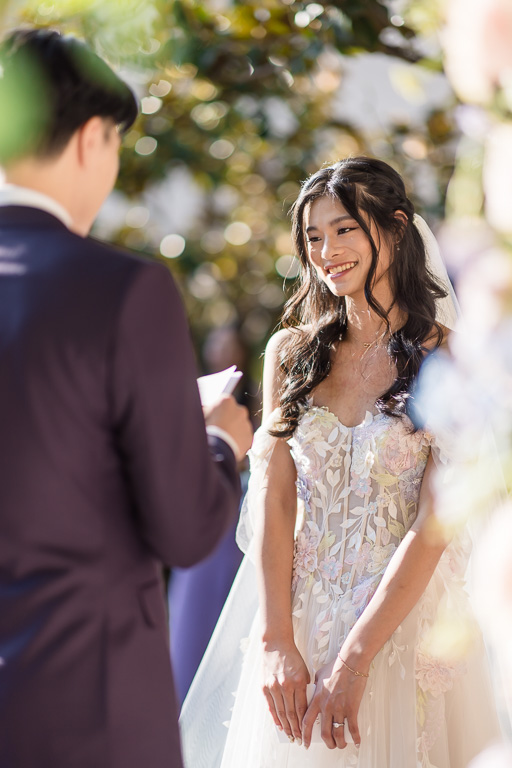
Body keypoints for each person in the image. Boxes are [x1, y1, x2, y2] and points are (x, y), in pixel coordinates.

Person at [180, 157, 502, 768]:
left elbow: (434, 523)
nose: (327, 250)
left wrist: (356, 659)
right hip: (298, 621)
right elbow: (275, 498)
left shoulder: (448, 359)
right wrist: (277, 642)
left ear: (396, 229)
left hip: (403, 627)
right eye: (313, 236)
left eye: (344, 229)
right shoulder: (291, 353)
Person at [0, 28, 252, 768]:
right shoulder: (120, 291)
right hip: (86, 701)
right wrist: (217, 443)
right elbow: (184, 529)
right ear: (90, 140)